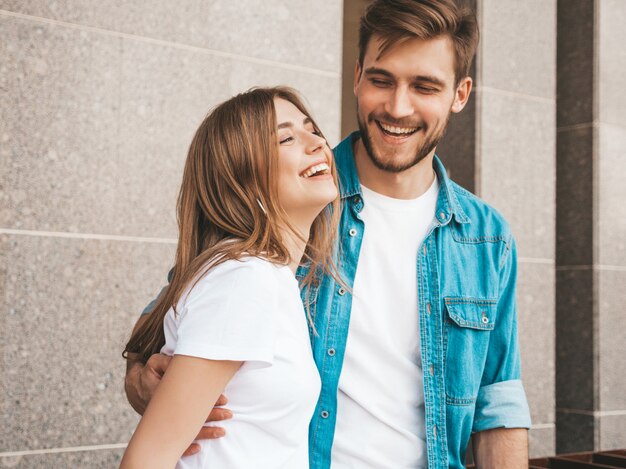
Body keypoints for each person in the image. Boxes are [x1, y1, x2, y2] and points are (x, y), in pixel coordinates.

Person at [124, 1, 532, 468]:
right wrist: (145, 380)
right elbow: (166, 323)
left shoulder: (486, 237)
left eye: (424, 86)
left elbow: (497, 404)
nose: (397, 107)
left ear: (460, 94)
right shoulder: (290, 196)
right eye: (381, 80)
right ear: (357, 75)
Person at [120, 86, 341, 468]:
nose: (318, 142)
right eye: (287, 138)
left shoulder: (267, 277)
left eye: (312, 128)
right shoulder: (244, 279)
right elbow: (145, 461)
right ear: (240, 179)